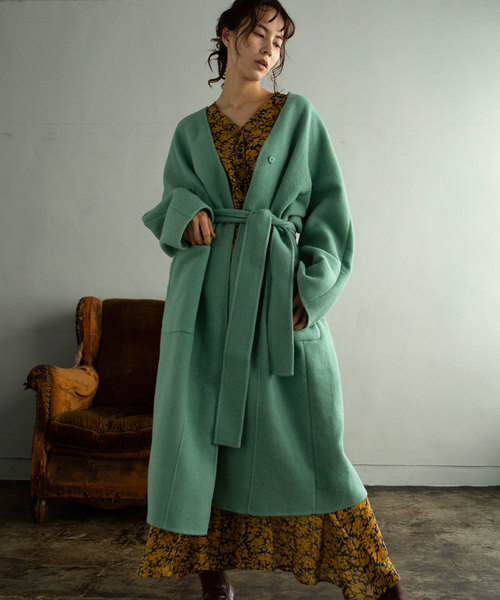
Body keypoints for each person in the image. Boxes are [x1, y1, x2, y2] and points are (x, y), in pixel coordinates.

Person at [136, 1, 408, 599]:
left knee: (315, 444)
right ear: (228, 34)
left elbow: (331, 214)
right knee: (199, 438)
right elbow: (170, 203)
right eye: (258, 34)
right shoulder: (190, 130)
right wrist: (188, 211)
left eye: (279, 41)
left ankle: (373, 578)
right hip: (205, 305)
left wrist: (312, 289)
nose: (269, 50)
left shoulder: (298, 115)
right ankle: (212, 576)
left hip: (276, 298)